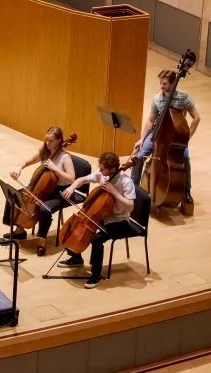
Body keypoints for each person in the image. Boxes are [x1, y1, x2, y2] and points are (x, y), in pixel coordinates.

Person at [58, 152, 136, 289]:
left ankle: (96, 275)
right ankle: (76, 258)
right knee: (74, 228)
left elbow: (130, 207)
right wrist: (72, 187)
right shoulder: (102, 175)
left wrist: (114, 192)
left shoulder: (126, 182)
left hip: (119, 221)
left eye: (102, 169)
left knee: (96, 239)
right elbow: (81, 179)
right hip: (101, 215)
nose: (99, 171)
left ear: (112, 169)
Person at [130, 69, 201, 204]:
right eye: (160, 83)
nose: (161, 86)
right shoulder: (158, 98)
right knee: (139, 156)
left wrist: (186, 137)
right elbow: (151, 121)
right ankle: (134, 186)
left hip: (176, 136)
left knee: (185, 158)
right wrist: (141, 139)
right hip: (157, 133)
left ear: (173, 83)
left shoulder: (184, 98)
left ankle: (186, 190)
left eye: (164, 84)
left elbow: (196, 118)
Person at [3, 126, 75, 256]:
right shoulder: (45, 151)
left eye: (51, 141)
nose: (47, 143)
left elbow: (71, 179)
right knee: (14, 195)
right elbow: (26, 161)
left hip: (60, 191)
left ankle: (42, 241)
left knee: (44, 209)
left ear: (59, 140)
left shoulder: (65, 157)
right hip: (42, 187)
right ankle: (19, 230)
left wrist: (55, 169)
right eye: (46, 140)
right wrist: (19, 168)